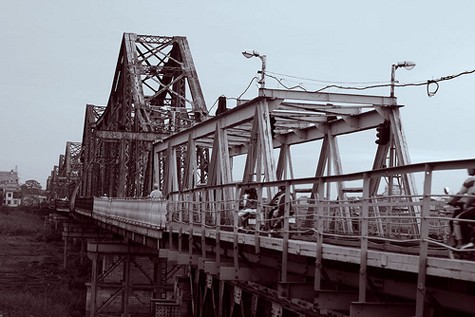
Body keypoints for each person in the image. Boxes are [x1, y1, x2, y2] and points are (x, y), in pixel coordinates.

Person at [448, 168, 475, 249]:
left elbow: (462, 194)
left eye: (469, 167)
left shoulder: (471, 181)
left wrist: (452, 201)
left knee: (457, 220)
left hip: (472, 207)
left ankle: (463, 243)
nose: (467, 169)